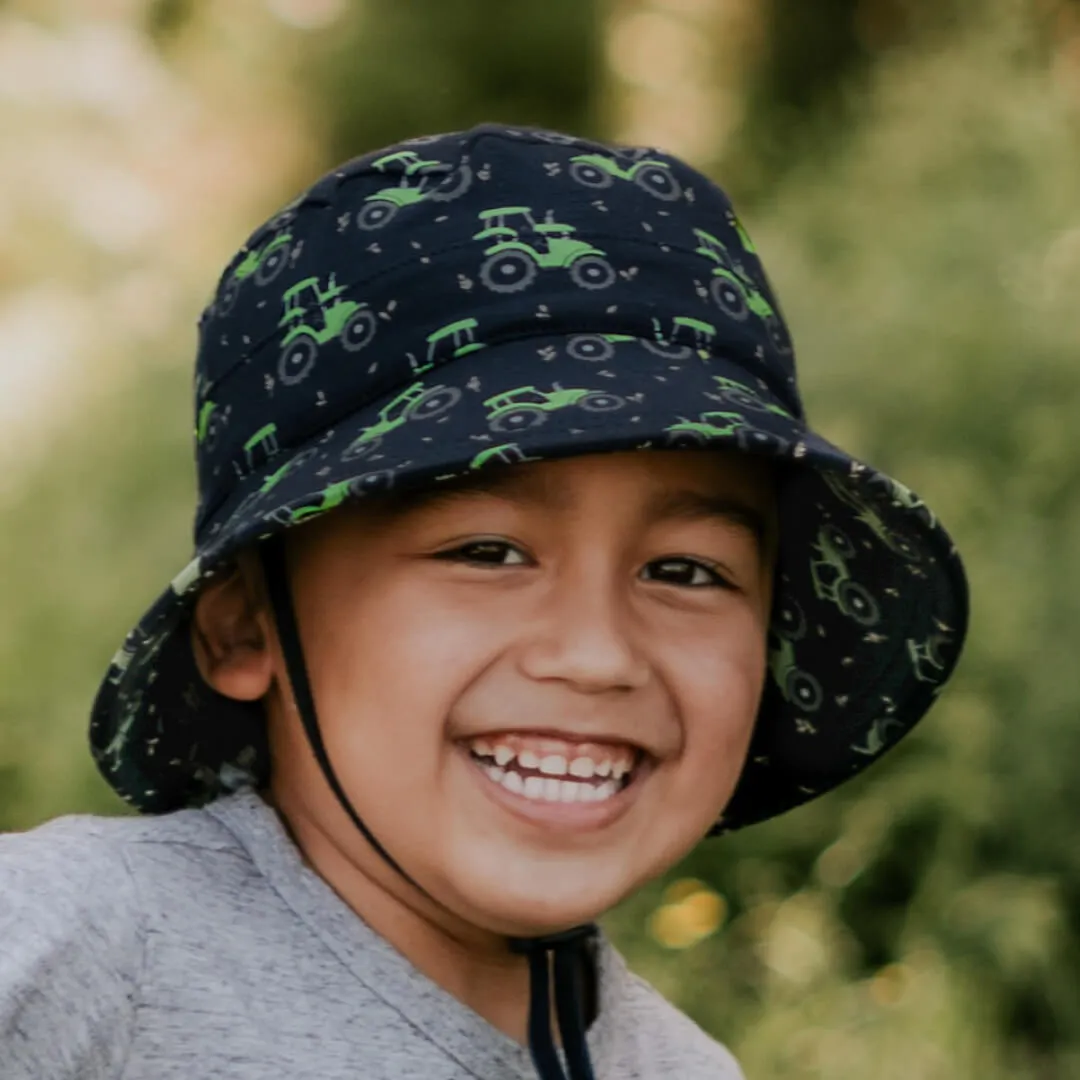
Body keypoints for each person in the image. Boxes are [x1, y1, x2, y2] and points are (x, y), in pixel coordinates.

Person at [0, 123, 968, 1080]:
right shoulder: (81, 941)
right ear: (244, 623)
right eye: (487, 551)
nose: (596, 654)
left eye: (684, 571)